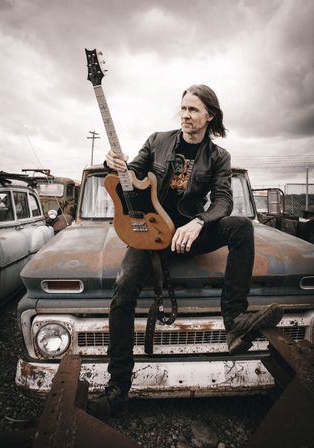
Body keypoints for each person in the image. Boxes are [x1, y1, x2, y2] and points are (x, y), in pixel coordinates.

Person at [88, 84, 283, 418]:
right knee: (123, 292)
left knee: (241, 227)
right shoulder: (157, 141)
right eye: (183, 109)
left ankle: (234, 320)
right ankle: (118, 387)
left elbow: (223, 199)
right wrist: (115, 165)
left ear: (210, 115)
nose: (185, 116)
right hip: (149, 233)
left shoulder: (219, 156)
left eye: (193, 110)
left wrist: (199, 222)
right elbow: (131, 176)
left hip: (188, 234)